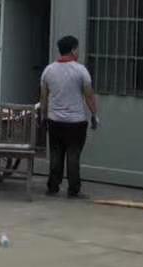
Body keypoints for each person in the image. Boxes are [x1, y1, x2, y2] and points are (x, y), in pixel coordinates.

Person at [38, 34, 98, 198]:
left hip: (55, 121)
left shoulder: (48, 70)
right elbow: (89, 96)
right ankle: (73, 190)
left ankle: (52, 187)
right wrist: (94, 115)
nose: (78, 52)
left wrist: (43, 116)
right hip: (76, 122)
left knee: (55, 154)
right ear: (72, 50)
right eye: (77, 49)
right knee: (73, 155)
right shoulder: (81, 70)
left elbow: (43, 97)